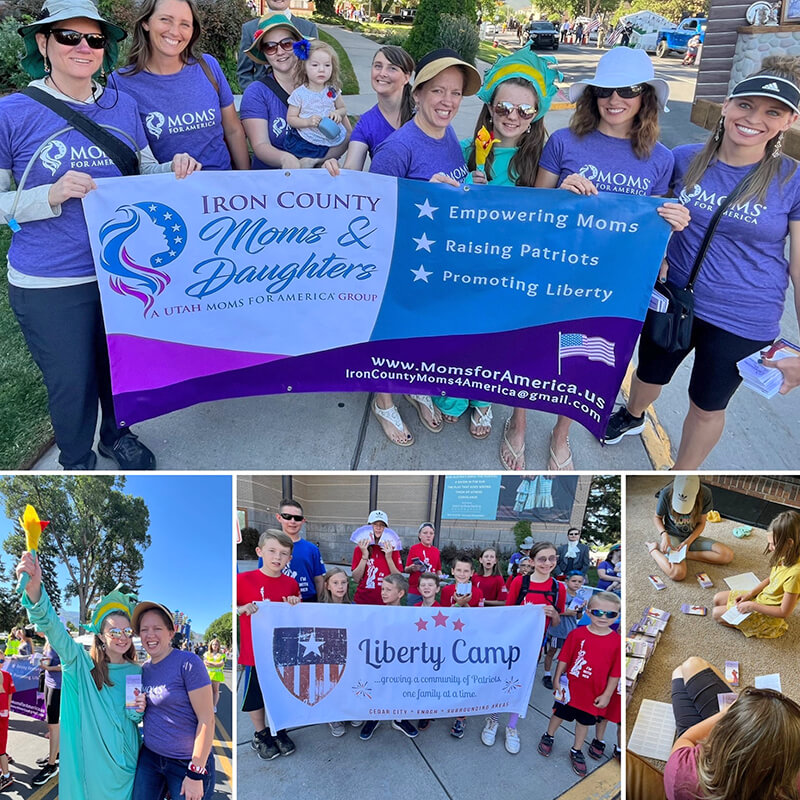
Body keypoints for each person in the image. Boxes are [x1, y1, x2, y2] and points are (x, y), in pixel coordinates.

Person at [1, 0, 200, 470]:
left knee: (121, 364)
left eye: (93, 39)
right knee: (71, 380)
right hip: (51, 279)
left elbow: (143, 165)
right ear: (43, 44)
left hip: (121, 270)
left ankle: (117, 434)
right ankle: (76, 461)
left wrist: (172, 167)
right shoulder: (10, 113)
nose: (83, 47)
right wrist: (47, 195)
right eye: (69, 36)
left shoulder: (122, 105)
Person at [605, 56, 800, 468]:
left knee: (707, 405)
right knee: (647, 375)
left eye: (772, 112)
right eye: (745, 105)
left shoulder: (791, 179)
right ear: (727, 106)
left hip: (744, 319)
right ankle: (633, 416)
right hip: (674, 298)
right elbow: (637, 214)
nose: (754, 118)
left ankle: (681, 475)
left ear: (789, 120)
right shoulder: (682, 158)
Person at [502, 46, 689, 470]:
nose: (615, 99)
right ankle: (517, 421)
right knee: (530, 346)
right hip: (550, 268)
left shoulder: (659, 159)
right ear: (593, 96)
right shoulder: (565, 142)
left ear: (646, 98)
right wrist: (564, 189)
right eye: (605, 90)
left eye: (628, 90)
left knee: (579, 357)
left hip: (608, 283)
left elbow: (652, 227)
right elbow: (533, 209)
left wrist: (674, 221)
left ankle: (561, 432)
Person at [367, 48, 482, 446]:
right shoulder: (397, 148)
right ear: (416, 93)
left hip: (436, 262)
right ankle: (384, 401)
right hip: (400, 267)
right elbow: (373, 216)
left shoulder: (448, 134)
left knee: (421, 334)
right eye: (437, 91)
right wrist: (421, 202)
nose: (447, 102)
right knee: (395, 333)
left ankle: (414, 387)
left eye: (454, 93)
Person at [15, 552, 144, 799]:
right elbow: (54, 630)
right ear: (100, 637)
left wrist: (139, 708)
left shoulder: (135, 670)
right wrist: (35, 593)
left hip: (127, 765)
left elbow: (133, 716)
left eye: (127, 630)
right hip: (93, 769)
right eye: (113, 631)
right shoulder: (80, 664)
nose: (122, 636)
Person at [113, 0, 249, 170]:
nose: (175, 31)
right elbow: (127, 154)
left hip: (220, 190)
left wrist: (245, 180)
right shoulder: (120, 83)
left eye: (185, 24)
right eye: (165, 20)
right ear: (146, 22)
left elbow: (233, 130)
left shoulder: (208, 66)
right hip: (166, 192)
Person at [663, 656, 800, 800]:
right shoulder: (793, 786)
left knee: (686, 668)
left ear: (722, 734)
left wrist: (726, 712)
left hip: (703, 765)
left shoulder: (681, 774)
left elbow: (687, 738)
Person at [483, 541, 565, 754]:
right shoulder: (521, 582)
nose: (547, 563)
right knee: (502, 681)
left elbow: (556, 622)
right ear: (532, 561)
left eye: (551, 558)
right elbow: (508, 614)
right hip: (512, 645)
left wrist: (553, 614)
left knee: (522, 685)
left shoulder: (559, 587)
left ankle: (511, 726)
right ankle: (492, 720)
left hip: (534, 648)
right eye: (542, 559)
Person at [131, 601, 215, 800]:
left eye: (157, 628)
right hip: (150, 758)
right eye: (144, 630)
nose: (150, 635)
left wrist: (195, 772)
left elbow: (207, 719)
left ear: (171, 632)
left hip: (187, 763)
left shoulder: (188, 663)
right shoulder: (143, 669)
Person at [537, 591, 621, 777]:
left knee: (584, 723)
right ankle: (549, 735)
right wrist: (557, 679)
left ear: (617, 616)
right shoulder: (577, 634)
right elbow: (564, 658)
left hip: (593, 694)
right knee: (558, 715)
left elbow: (616, 673)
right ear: (588, 612)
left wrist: (607, 694)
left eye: (611, 614)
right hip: (570, 690)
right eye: (598, 612)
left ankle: (576, 749)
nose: (603, 617)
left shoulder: (617, 642)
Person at [236, 529, 301, 760]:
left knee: (280, 693)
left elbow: (296, 616)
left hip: (282, 653)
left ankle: (279, 729)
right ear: (259, 551)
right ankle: (260, 734)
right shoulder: (242, 580)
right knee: (255, 696)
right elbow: (232, 606)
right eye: (272, 551)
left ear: (289, 559)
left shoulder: (291, 584)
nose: (277, 557)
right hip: (255, 653)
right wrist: (240, 609)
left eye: (283, 554)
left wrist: (295, 603)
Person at [324, 45, 414, 176]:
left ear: (407, 77)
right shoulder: (367, 123)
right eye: (378, 66)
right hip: (389, 193)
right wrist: (333, 167)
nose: (382, 73)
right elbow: (351, 171)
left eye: (392, 68)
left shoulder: (421, 114)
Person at [712, 509, 800, 638]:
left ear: (789, 543)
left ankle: (764, 627)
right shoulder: (787, 554)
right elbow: (771, 579)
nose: (770, 548)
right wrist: (750, 594)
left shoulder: (795, 575)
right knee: (717, 599)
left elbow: (784, 612)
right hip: (761, 598)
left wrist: (752, 606)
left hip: (770, 614)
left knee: (716, 614)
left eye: (773, 544)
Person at [358, 574, 419, 741]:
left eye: (388, 590)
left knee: (400, 686)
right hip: (378, 661)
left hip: (400, 661)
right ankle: (374, 716)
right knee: (375, 685)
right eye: (382, 589)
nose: (383, 593)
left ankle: (399, 718)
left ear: (400, 593)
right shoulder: (374, 613)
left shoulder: (409, 616)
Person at [647, 475, 733, 581]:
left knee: (727, 555)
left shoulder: (705, 494)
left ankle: (685, 555)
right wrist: (664, 535)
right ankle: (653, 549)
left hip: (692, 537)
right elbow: (657, 517)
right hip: (672, 536)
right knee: (677, 574)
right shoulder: (666, 493)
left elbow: (701, 523)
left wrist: (688, 543)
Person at [285, 39, 350, 163]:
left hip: (330, 136)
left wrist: (338, 113)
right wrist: (307, 122)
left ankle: (318, 161)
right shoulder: (299, 94)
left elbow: (343, 108)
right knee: (303, 167)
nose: (322, 70)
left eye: (327, 65)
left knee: (345, 141)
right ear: (304, 67)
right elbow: (291, 118)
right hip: (307, 138)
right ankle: (310, 162)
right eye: (315, 65)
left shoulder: (333, 90)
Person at [236, 0, 317, 90]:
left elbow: (315, 68)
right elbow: (244, 72)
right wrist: (255, 95)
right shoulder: (249, 29)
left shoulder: (308, 28)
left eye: (287, 43)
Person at [274, 498, 325, 602]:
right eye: (287, 516)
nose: (292, 521)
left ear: (303, 521)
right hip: (279, 602)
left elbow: (319, 580)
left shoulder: (312, 549)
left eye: (297, 518)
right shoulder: (269, 548)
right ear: (279, 517)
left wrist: (319, 604)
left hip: (308, 601)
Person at [542, 570, 587, 689]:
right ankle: (547, 674)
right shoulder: (560, 594)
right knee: (552, 651)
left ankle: (561, 675)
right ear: (567, 581)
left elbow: (579, 616)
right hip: (557, 629)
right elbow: (554, 610)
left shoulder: (580, 597)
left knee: (566, 655)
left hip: (570, 630)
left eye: (579, 582)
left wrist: (580, 610)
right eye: (574, 581)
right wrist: (566, 612)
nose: (576, 584)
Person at [351, 510, 403, 605]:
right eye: (375, 524)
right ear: (368, 527)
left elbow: (399, 579)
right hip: (362, 600)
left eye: (382, 525)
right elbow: (356, 578)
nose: (378, 528)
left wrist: (389, 558)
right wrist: (364, 556)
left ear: (386, 529)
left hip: (386, 602)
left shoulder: (393, 549)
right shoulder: (359, 548)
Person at [31, 635, 61, 786]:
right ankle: (55, 755)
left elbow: (66, 665)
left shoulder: (60, 639)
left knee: (54, 725)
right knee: (52, 724)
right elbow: (49, 659)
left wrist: (47, 668)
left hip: (59, 687)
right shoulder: (49, 640)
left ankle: (51, 767)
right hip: (50, 683)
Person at [404, 521, 442, 607]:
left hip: (430, 590)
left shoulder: (436, 551)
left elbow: (438, 569)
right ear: (419, 535)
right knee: (413, 614)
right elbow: (406, 569)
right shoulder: (414, 549)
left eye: (431, 533)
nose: (428, 535)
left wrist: (441, 577)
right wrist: (412, 568)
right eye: (425, 533)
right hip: (415, 589)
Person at [0, 652, 15, 792]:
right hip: (3, 714)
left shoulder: (6, 675)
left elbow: (10, 692)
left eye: (2, 660)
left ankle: (6, 776)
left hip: (2, 715)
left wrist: (7, 708)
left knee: (1, 751)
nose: (1, 663)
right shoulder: (5, 675)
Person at [203, 638, 225, 713]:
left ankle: (214, 706)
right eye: (213, 644)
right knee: (207, 691)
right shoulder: (206, 654)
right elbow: (205, 663)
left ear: (218, 646)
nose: (215, 646)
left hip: (217, 675)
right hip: (207, 675)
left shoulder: (221, 655)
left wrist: (211, 664)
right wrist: (215, 664)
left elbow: (221, 664)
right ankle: (207, 705)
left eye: (216, 644)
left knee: (215, 691)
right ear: (211, 645)